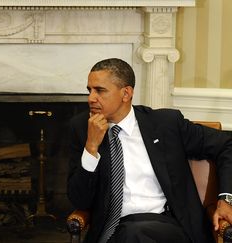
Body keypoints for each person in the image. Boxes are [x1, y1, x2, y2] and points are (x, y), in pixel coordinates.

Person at [67, 58, 232, 243]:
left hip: (166, 225)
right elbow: (79, 200)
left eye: (100, 90)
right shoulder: (81, 128)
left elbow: (227, 144)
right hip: (112, 229)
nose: (91, 98)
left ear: (126, 93)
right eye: (89, 90)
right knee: (129, 233)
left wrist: (226, 199)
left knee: (134, 233)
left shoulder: (166, 124)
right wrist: (91, 147)